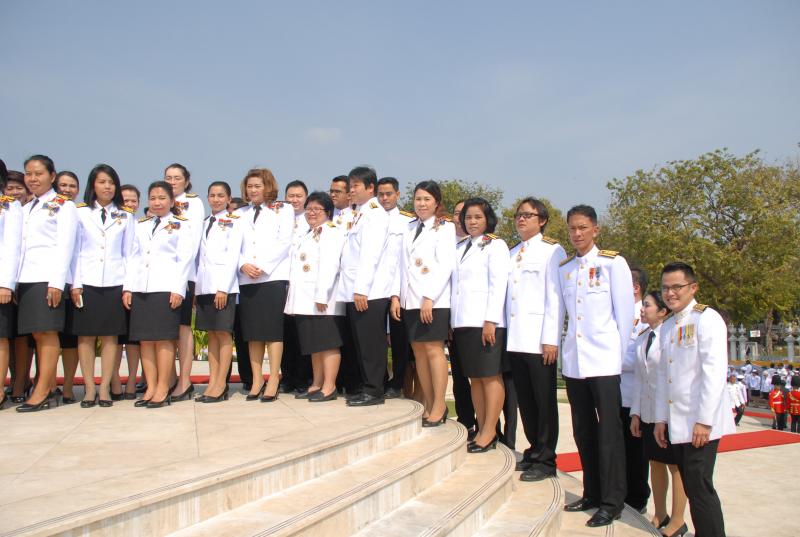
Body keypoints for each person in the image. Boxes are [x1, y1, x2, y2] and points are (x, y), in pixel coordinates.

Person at [557, 204, 633, 527]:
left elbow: (625, 315)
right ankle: (591, 492)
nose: (577, 234)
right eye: (572, 228)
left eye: (583, 228)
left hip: (604, 360)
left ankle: (613, 501)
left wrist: (617, 357)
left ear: (595, 230)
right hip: (575, 362)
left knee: (609, 434)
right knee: (583, 430)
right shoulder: (565, 268)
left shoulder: (612, 264)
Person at [654, 261, 734, 537]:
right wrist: (660, 419)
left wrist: (704, 421)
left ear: (693, 287)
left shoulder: (706, 319)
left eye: (677, 287)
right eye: (665, 288)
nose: (670, 293)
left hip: (700, 422)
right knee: (691, 484)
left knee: (699, 486)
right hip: (678, 421)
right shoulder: (668, 325)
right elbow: (664, 376)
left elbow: (714, 372)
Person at [506, 197, 566, 480]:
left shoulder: (552, 250)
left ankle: (546, 458)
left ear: (542, 220)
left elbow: (555, 297)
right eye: (519, 215)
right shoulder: (512, 251)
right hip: (516, 338)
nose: (521, 219)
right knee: (526, 400)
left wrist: (551, 338)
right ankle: (533, 450)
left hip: (539, 339)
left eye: (528, 215)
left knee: (543, 401)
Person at [16, 155, 78, 412]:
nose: (32, 178)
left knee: (47, 331)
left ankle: (43, 390)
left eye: (38, 173)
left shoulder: (63, 205)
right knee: (36, 333)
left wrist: (57, 283)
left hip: (47, 278)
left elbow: (66, 245)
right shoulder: (25, 207)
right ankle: (47, 386)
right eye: (28, 173)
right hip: (26, 278)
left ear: (52, 176)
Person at [123, 181, 193, 408]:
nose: (157, 202)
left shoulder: (181, 225)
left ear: (172, 201)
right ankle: (151, 386)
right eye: (153, 198)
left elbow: (184, 259)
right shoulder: (141, 225)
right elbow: (133, 257)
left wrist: (178, 289)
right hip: (142, 288)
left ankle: (163, 386)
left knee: (163, 339)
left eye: (162, 198)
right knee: (145, 340)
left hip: (166, 288)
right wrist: (128, 287)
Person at [70, 164, 135, 407]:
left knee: (110, 337)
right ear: (93, 185)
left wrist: (128, 287)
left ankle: (105, 387)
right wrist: (75, 284)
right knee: (86, 337)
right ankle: (89, 388)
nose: (107, 186)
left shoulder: (125, 215)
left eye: (111, 182)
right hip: (86, 282)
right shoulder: (79, 212)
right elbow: (74, 251)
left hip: (115, 282)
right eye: (102, 182)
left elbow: (130, 254)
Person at [391, 180, 455, 419]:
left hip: (433, 301)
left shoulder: (445, 228)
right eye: (418, 199)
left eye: (427, 199)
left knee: (433, 350)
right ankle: (428, 403)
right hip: (410, 299)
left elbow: (445, 266)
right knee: (418, 352)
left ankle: (439, 404)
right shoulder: (408, 227)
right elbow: (401, 265)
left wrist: (429, 297)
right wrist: (396, 296)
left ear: (437, 203)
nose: (422, 203)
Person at [451, 197, 509, 451]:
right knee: (475, 378)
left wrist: (491, 320)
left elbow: (498, 284)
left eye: (478, 217)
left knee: (490, 377)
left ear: (488, 220)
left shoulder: (495, 245)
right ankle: (482, 427)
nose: (472, 221)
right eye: (468, 217)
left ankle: (490, 431)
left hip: (485, 322)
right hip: (463, 321)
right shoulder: (461, 246)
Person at [630, 290, 688, 537]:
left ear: (663, 311)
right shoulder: (643, 337)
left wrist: (663, 416)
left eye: (648, 305)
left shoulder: (671, 335)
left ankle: (678, 519)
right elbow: (639, 379)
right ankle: (660, 513)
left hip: (668, 412)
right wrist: (636, 413)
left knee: (675, 465)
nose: (642, 309)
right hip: (648, 412)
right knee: (655, 462)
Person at [236, 168, 294, 402]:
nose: (253, 190)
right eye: (249, 186)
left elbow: (285, 241)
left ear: (267, 187)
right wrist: (243, 265)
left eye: (257, 186)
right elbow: (233, 245)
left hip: (272, 276)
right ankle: (257, 379)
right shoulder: (239, 213)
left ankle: (274, 379)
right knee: (253, 332)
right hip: (247, 278)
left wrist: (262, 265)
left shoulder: (283, 209)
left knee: (272, 331)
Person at [284, 192, 346, 402]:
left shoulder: (331, 232)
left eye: (317, 209)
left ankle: (329, 386)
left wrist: (321, 295)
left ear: (327, 212)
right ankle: (317, 383)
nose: (311, 213)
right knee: (313, 344)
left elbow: (330, 265)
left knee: (327, 343)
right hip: (304, 299)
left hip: (322, 299)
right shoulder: (307, 234)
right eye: (309, 209)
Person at [339, 166, 393, 407]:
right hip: (355, 290)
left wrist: (361, 289)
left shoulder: (375, 214)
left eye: (356, 186)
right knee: (360, 342)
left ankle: (374, 390)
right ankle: (365, 385)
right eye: (350, 186)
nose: (351, 190)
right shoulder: (360, 214)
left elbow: (370, 255)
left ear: (371, 188)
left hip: (369, 292)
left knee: (370, 343)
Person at [194, 181, 244, 403]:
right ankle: (213, 380)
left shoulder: (235, 221)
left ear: (228, 199)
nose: (216, 199)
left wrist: (223, 288)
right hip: (204, 286)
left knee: (223, 334)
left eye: (220, 195)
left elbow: (233, 256)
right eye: (212, 195)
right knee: (211, 334)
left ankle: (221, 383)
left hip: (223, 287)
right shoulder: (204, 223)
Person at [164, 163, 205, 402]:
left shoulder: (193, 203)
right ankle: (168, 379)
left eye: (177, 178)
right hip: (160, 278)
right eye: (168, 177)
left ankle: (185, 380)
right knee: (164, 331)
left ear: (186, 181)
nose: (172, 182)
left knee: (182, 328)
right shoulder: (160, 201)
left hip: (185, 274)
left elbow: (193, 241)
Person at [377, 177, 414, 399]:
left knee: (400, 340)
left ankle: (397, 382)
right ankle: (378, 379)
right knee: (375, 338)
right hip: (375, 287)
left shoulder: (408, 221)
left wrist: (397, 294)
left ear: (398, 194)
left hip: (398, 288)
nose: (384, 198)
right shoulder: (369, 218)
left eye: (389, 194)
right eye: (380, 194)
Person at [621, 266, 651, 513]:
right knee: (618, 449)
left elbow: (639, 359)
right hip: (615, 392)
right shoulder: (618, 311)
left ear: (635, 287)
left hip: (634, 397)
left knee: (635, 453)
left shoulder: (644, 316)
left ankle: (637, 498)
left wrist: (606, 360)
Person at [448, 200, 477, 436]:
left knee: (481, 378)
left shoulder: (488, 245)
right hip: (455, 323)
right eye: (457, 214)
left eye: (464, 214)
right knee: (459, 378)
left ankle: (493, 428)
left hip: (478, 324)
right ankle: (466, 420)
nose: (460, 219)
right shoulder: (451, 245)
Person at [281, 180, 312, 395]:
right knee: (285, 334)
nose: (294, 200)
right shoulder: (278, 218)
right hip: (282, 282)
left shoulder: (310, 220)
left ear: (305, 198)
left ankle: (303, 378)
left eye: (298, 196)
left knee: (303, 334)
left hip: (303, 285)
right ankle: (287, 377)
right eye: (290, 196)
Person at [55, 171, 81, 404]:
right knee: (46, 335)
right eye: (63, 185)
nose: (67, 189)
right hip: (50, 279)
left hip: (73, 283)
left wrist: (77, 283)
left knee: (70, 338)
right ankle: (46, 382)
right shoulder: (46, 210)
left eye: (72, 186)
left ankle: (68, 387)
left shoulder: (80, 212)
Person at [114, 184, 142, 398]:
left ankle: (132, 380)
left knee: (133, 339)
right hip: (113, 284)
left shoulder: (143, 225)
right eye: (126, 201)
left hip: (136, 287)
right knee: (114, 336)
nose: (130, 204)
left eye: (134, 201)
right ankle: (114, 380)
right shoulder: (114, 221)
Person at [0, 182, 23, 409]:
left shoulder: (9, 206)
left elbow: (12, 246)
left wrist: (6, 284)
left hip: (1, 282)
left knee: (0, 337)